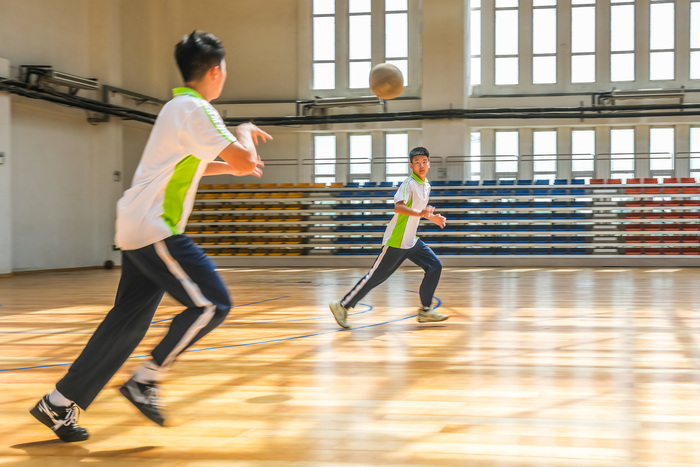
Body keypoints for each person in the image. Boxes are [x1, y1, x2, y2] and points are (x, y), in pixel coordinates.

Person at [30, 31, 272, 442]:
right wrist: (245, 132)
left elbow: (192, 166)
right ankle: (145, 380)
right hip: (155, 226)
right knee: (212, 305)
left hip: (135, 226)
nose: (225, 75)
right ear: (215, 71)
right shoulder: (198, 109)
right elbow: (244, 155)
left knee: (124, 325)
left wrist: (230, 165)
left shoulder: (177, 108)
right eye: (225, 70)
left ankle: (57, 402)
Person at [329, 147, 448, 328]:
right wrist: (422, 214)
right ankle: (342, 305)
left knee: (434, 266)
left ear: (429, 164)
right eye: (417, 162)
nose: (421, 165)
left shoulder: (426, 185)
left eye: (424, 162)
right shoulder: (408, 184)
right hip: (396, 240)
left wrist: (431, 217)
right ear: (411, 165)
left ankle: (425, 311)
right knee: (375, 277)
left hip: (411, 240)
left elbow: (419, 211)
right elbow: (398, 208)